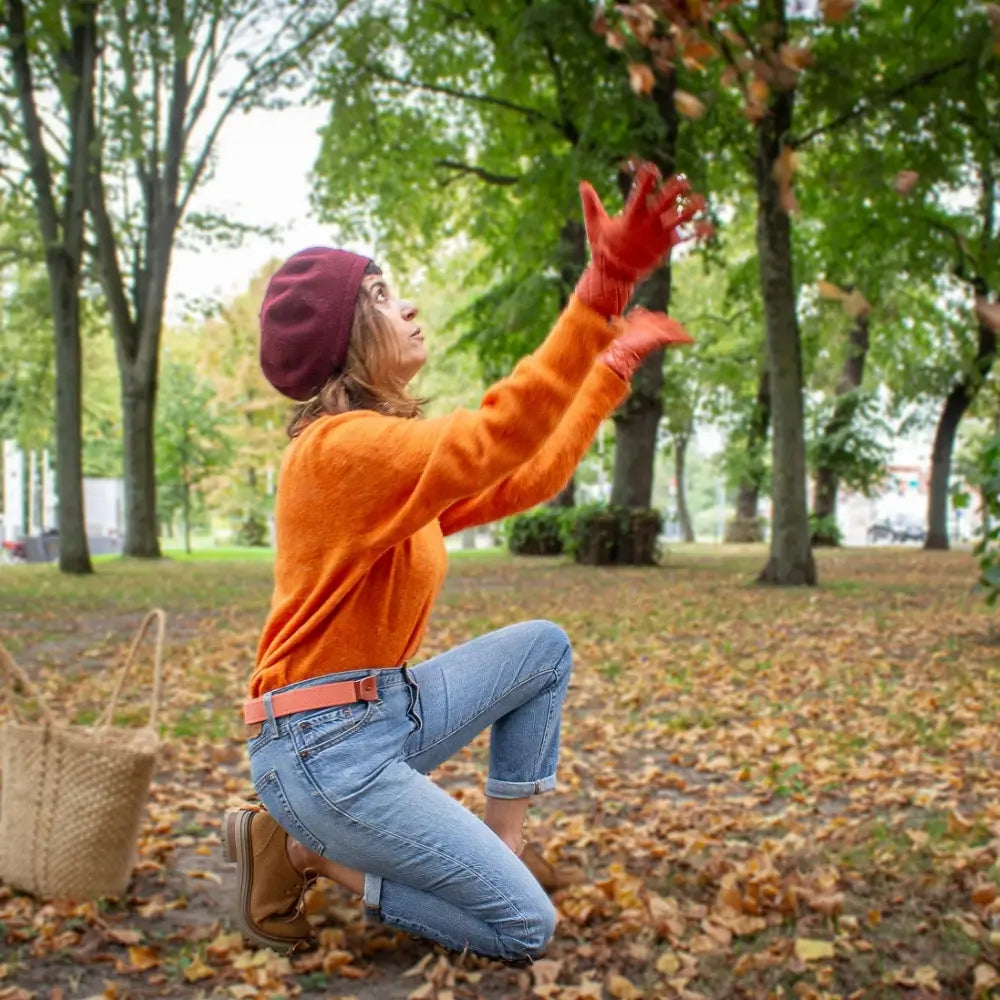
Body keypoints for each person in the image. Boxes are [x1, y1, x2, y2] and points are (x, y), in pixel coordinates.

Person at [223, 163, 704, 963]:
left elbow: (523, 475)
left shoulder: (387, 468)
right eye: (378, 296)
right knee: (524, 928)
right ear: (343, 338)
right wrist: (604, 286)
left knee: (542, 647)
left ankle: (501, 850)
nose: (405, 304)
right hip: (321, 748)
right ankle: (310, 852)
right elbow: (499, 430)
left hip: (383, 712)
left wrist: (609, 367)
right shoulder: (342, 452)